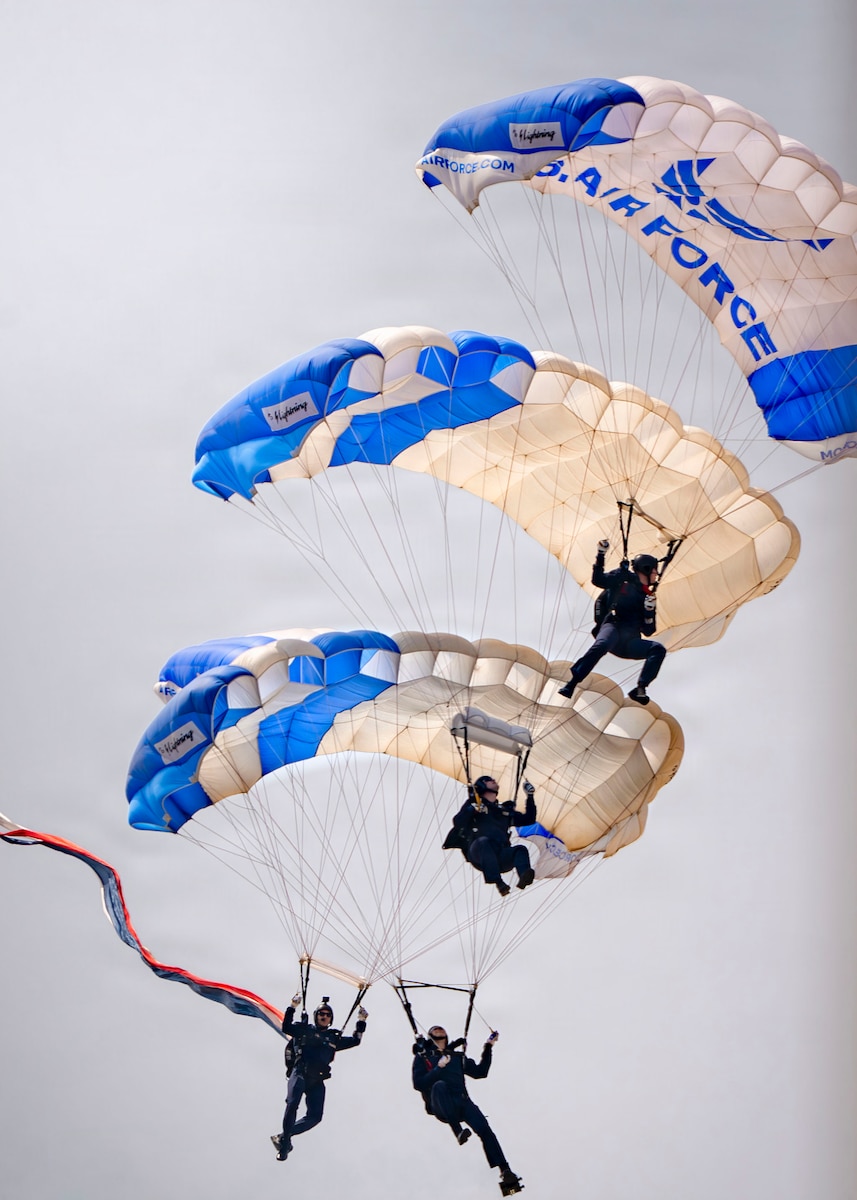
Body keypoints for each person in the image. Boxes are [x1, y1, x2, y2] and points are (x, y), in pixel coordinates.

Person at [412, 1025, 524, 1196]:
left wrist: (488, 1047)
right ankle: (457, 1130)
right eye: (435, 1029)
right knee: (440, 1085)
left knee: (485, 1129)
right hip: (440, 1102)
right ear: (430, 1035)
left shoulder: (457, 1057)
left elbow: (481, 1072)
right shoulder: (424, 1057)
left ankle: (505, 1170)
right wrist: (438, 1069)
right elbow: (419, 1084)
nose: (439, 1029)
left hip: (462, 1102)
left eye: (442, 1028)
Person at [558, 539, 666, 705]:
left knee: (658, 649)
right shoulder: (623, 578)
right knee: (602, 645)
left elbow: (648, 631)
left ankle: (640, 688)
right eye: (654, 570)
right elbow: (598, 580)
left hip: (630, 641)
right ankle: (572, 683)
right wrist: (601, 555)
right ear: (646, 569)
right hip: (613, 628)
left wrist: (649, 611)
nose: (656, 574)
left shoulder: (647, 597)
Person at [270, 994, 368, 1161]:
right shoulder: (305, 1030)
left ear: (330, 1019)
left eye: (327, 1015)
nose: (324, 1016)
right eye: (321, 1014)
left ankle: (284, 1137)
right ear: (316, 1017)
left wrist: (361, 1021)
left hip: (317, 1080)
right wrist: (292, 1007)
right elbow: (286, 1027)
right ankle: (285, 1142)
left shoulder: (333, 1038)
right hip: (300, 1072)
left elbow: (355, 1040)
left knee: (316, 1116)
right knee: (292, 1104)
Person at [443, 777, 537, 896]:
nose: (493, 780)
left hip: (500, 856)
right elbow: (458, 822)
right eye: (488, 780)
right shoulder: (474, 804)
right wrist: (472, 809)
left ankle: (524, 876)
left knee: (520, 849)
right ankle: (498, 882)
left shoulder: (503, 812)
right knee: (484, 842)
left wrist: (530, 796)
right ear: (482, 785)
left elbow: (529, 819)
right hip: (479, 854)